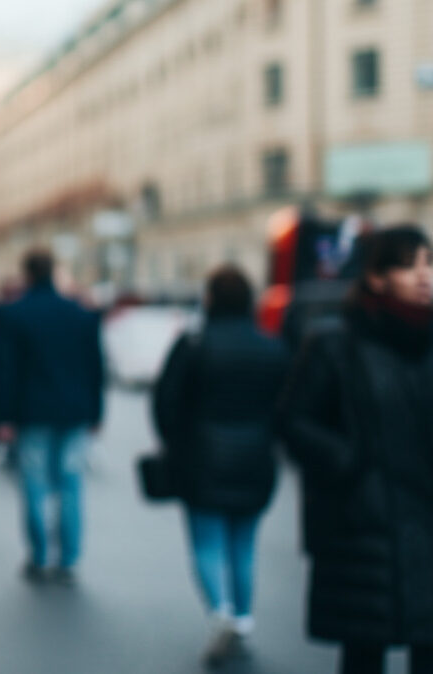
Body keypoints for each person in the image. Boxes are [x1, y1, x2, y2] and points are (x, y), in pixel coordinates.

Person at [279, 225, 433, 674]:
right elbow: (293, 420)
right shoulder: (334, 346)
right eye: (408, 265)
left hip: (428, 526)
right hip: (364, 530)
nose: (425, 276)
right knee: (364, 654)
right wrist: (346, 463)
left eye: (429, 263)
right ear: (376, 276)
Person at [152, 265, 287, 667]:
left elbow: (166, 404)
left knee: (207, 543)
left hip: (201, 459)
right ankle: (243, 620)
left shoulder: (194, 345)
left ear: (210, 298)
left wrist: (175, 443)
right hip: (256, 459)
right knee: (244, 545)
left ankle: (221, 612)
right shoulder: (272, 346)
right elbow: (286, 405)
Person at [0, 250, 103, 585]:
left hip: (31, 412)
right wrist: (96, 412)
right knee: (71, 484)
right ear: (54, 272)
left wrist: (2, 417)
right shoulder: (80, 314)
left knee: (35, 483)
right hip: (74, 411)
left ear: (26, 274)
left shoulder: (12, 314)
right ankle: (68, 556)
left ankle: (39, 554)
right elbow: (94, 368)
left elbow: (4, 370)